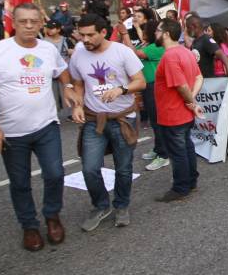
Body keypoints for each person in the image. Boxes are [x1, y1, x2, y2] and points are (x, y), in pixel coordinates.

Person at [0, 3, 77, 252]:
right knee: (19, 182)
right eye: (23, 21)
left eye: (34, 21)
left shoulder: (47, 49)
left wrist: (69, 89)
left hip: (46, 127)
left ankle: (52, 216)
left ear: (41, 23)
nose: (29, 26)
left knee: (55, 174)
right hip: (11, 133)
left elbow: (62, 73)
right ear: (13, 22)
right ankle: (29, 225)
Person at [68, 14, 146, 231]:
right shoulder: (78, 54)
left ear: (103, 32)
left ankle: (121, 205)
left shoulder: (122, 52)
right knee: (90, 168)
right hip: (94, 120)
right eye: (81, 35)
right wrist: (77, 104)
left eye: (90, 35)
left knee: (123, 168)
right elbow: (78, 83)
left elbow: (140, 82)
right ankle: (101, 205)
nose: (85, 39)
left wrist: (120, 89)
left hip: (122, 118)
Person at [152, 19, 204, 202]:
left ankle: (181, 187)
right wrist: (192, 101)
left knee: (178, 151)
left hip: (173, 114)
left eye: (158, 30)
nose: (155, 33)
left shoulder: (170, 56)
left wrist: (192, 102)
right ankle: (191, 181)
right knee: (186, 146)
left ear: (166, 34)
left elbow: (181, 86)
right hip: (182, 112)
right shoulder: (185, 51)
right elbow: (198, 77)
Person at [137, 20, 170, 171]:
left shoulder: (156, 47)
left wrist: (124, 35)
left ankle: (163, 155)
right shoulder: (145, 45)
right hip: (147, 86)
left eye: (145, 31)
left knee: (158, 121)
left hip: (154, 86)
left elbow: (134, 53)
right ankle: (158, 148)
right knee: (153, 120)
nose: (142, 34)